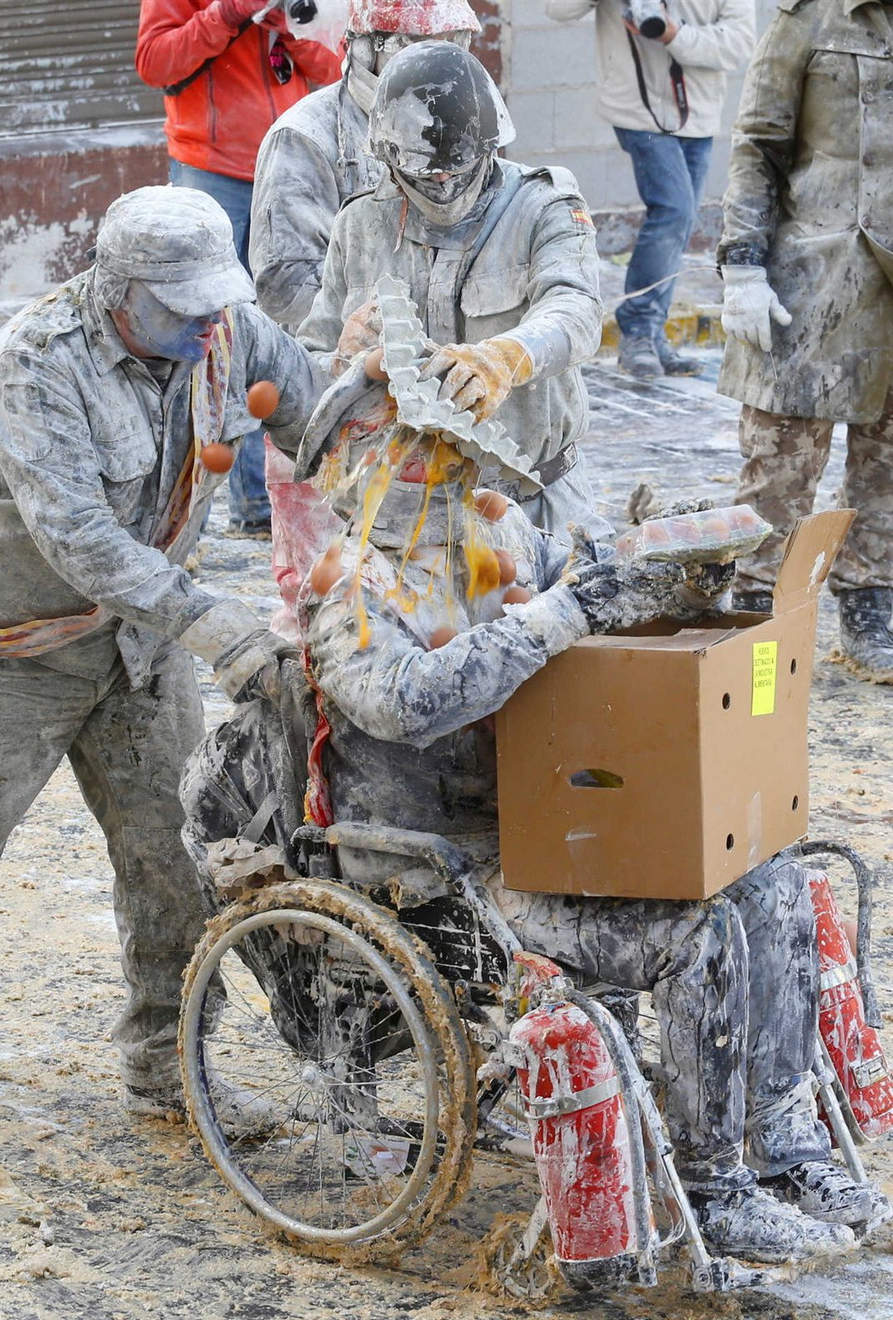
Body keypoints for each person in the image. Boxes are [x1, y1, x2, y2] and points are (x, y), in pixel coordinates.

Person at [287, 351, 888, 1266]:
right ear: (357, 470)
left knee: (764, 877)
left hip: (556, 824)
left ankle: (785, 1145)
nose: (444, 472)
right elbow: (410, 701)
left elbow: (582, 568)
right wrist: (559, 616)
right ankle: (714, 1185)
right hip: (446, 870)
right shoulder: (351, 595)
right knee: (697, 936)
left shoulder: (485, 544)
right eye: (416, 455)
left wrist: (670, 570)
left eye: (450, 453)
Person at [0, 186, 325, 1112]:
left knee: (175, 850)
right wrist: (225, 633)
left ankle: (165, 1059)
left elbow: (318, 418)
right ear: (120, 288)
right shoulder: (33, 367)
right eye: (184, 305)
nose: (210, 323)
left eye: (218, 301)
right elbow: (83, 543)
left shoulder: (224, 329)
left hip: (142, 640)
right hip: (5, 644)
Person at [297, 41, 613, 546]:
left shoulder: (543, 204)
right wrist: (342, 358)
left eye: (457, 168)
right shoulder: (359, 224)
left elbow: (575, 309)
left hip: (536, 501)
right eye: (426, 172)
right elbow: (306, 369)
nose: (443, 181)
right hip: (405, 512)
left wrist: (505, 358)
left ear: (490, 146)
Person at [249, 0, 482, 637]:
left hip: (433, 407)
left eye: (458, 47)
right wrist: (368, 336)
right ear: (368, 46)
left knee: (439, 606)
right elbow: (282, 282)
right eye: (419, 49)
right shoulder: (308, 136)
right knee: (328, 611)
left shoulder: (464, 122)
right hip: (333, 407)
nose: (444, 69)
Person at [716, 0, 893, 684]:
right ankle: (758, 607)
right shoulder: (810, 19)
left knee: (887, 463)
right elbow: (758, 143)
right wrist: (742, 265)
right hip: (811, 274)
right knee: (780, 461)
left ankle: (871, 600)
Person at [136, 0, 342, 534]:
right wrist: (227, 14)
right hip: (211, 170)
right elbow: (155, 61)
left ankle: (264, 504)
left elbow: (336, 69)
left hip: (290, 167)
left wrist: (290, 29)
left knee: (287, 331)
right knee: (202, 337)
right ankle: (182, 514)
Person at [545, 0, 755, 380]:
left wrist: (676, 34)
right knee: (674, 209)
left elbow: (739, 44)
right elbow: (557, 10)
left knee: (681, 218)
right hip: (636, 110)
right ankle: (639, 330)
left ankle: (652, 335)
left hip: (699, 114)